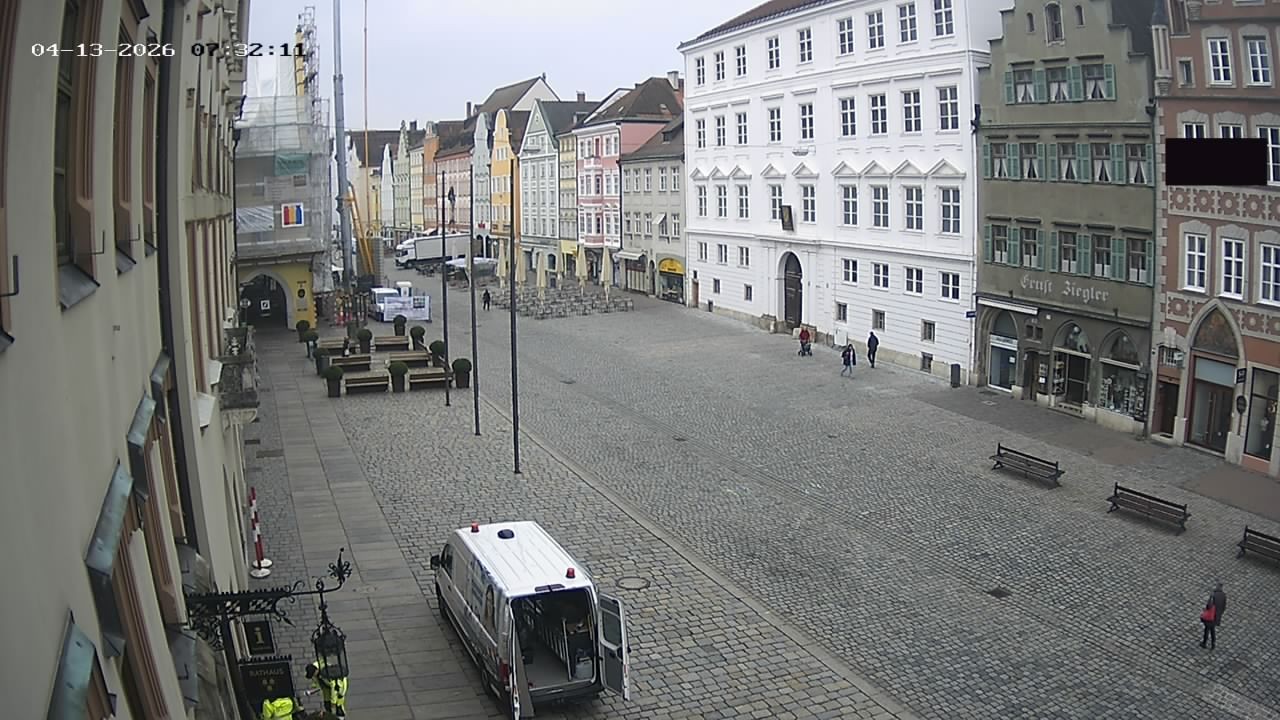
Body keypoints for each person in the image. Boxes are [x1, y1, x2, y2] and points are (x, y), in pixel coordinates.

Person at [1200, 582, 1227, 649]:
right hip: (1217, 616)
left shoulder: (1213, 595)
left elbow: (1209, 606)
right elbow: (1224, 607)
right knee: (1212, 629)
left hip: (1211, 616)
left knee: (1207, 630)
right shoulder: (1224, 595)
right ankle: (1213, 644)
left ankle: (1204, 643)